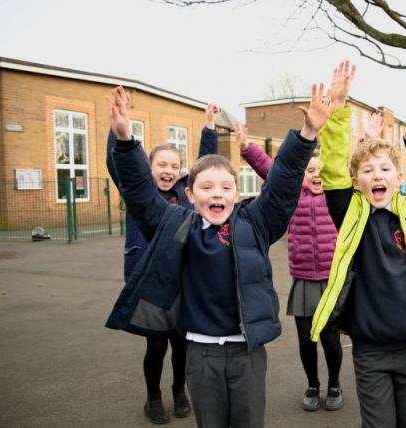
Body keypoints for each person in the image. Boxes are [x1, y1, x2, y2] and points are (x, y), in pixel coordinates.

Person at [104, 82, 329, 428]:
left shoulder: (256, 223)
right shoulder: (177, 224)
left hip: (248, 353)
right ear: (191, 195)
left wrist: (307, 133)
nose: (217, 194)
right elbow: (140, 195)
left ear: (237, 192)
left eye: (225, 187)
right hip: (201, 353)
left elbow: (283, 184)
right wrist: (124, 140)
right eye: (207, 188)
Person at [310, 62, 406, 428]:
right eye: (368, 170)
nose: (377, 175)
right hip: (370, 350)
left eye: (384, 169)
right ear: (356, 180)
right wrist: (340, 106)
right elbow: (330, 168)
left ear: (399, 176)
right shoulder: (348, 211)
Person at [105, 102, 221, 424]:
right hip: (150, 285)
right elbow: (120, 166)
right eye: (161, 165)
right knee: (156, 346)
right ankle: (153, 397)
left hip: (181, 282)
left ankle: (179, 390)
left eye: (174, 165)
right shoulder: (139, 194)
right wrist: (118, 130)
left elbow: (204, 166)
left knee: (182, 344)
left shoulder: (186, 197)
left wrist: (209, 128)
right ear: (150, 168)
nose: (168, 170)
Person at [238, 132, 344, 411]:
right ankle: (313, 384)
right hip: (304, 280)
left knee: (331, 338)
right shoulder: (293, 193)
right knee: (307, 338)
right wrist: (248, 148)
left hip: (331, 280)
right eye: (310, 170)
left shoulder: (338, 196)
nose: (316, 175)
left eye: (321, 171)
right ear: (302, 174)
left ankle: (334, 383)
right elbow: (271, 169)